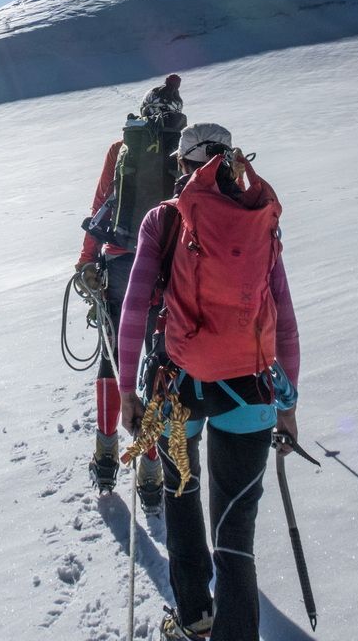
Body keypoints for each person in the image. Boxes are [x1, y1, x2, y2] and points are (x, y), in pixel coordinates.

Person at [118, 123, 300, 641]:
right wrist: (289, 401)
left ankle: (195, 613)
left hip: (178, 390)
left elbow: (135, 307)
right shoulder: (258, 219)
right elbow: (282, 315)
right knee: (234, 530)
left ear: (183, 167)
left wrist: (128, 390)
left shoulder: (164, 219)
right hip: (254, 391)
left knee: (181, 495)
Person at [76, 74, 186, 512]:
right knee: (155, 367)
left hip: (120, 263)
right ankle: (152, 467)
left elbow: (100, 206)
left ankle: (106, 455)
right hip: (166, 270)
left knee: (112, 358)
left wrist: (86, 261)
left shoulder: (121, 149)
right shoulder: (184, 151)